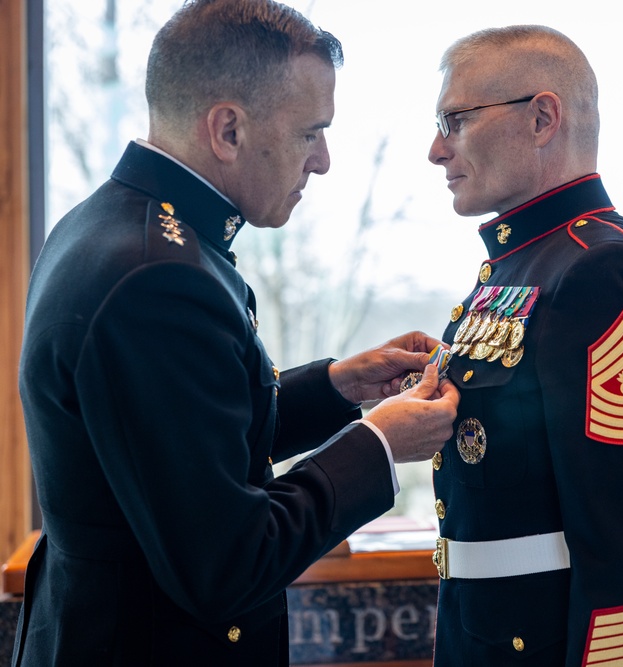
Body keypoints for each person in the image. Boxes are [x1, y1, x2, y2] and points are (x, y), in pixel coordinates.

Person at [13, 2, 459, 665]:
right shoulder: (154, 277)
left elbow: (182, 446)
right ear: (228, 129)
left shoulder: (114, 226)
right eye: (312, 132)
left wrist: (339, 389)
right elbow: (228, 562)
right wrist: (380, 444)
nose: (325, 160)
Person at [426, 25, 623, 666]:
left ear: (542, 118)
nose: (436, 149)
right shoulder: (522, 265)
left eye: (456, 120)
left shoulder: (601, 270)